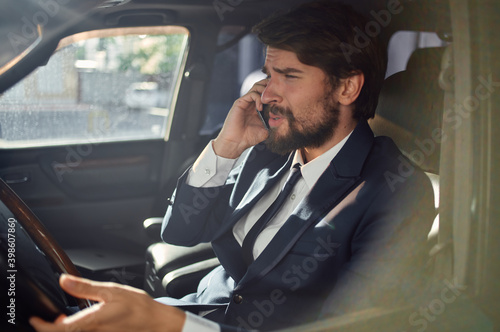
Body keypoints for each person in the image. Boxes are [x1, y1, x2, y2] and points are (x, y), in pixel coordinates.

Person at [30, 1, 435, 331]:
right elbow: (180, 231)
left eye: (289, 76)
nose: (267, 94)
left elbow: (350, 326)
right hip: (195, 310)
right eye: (268, 74)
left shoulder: (395, 190)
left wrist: (174, 325)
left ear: (347, 87)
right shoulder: (267, 151)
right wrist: (226, 148)